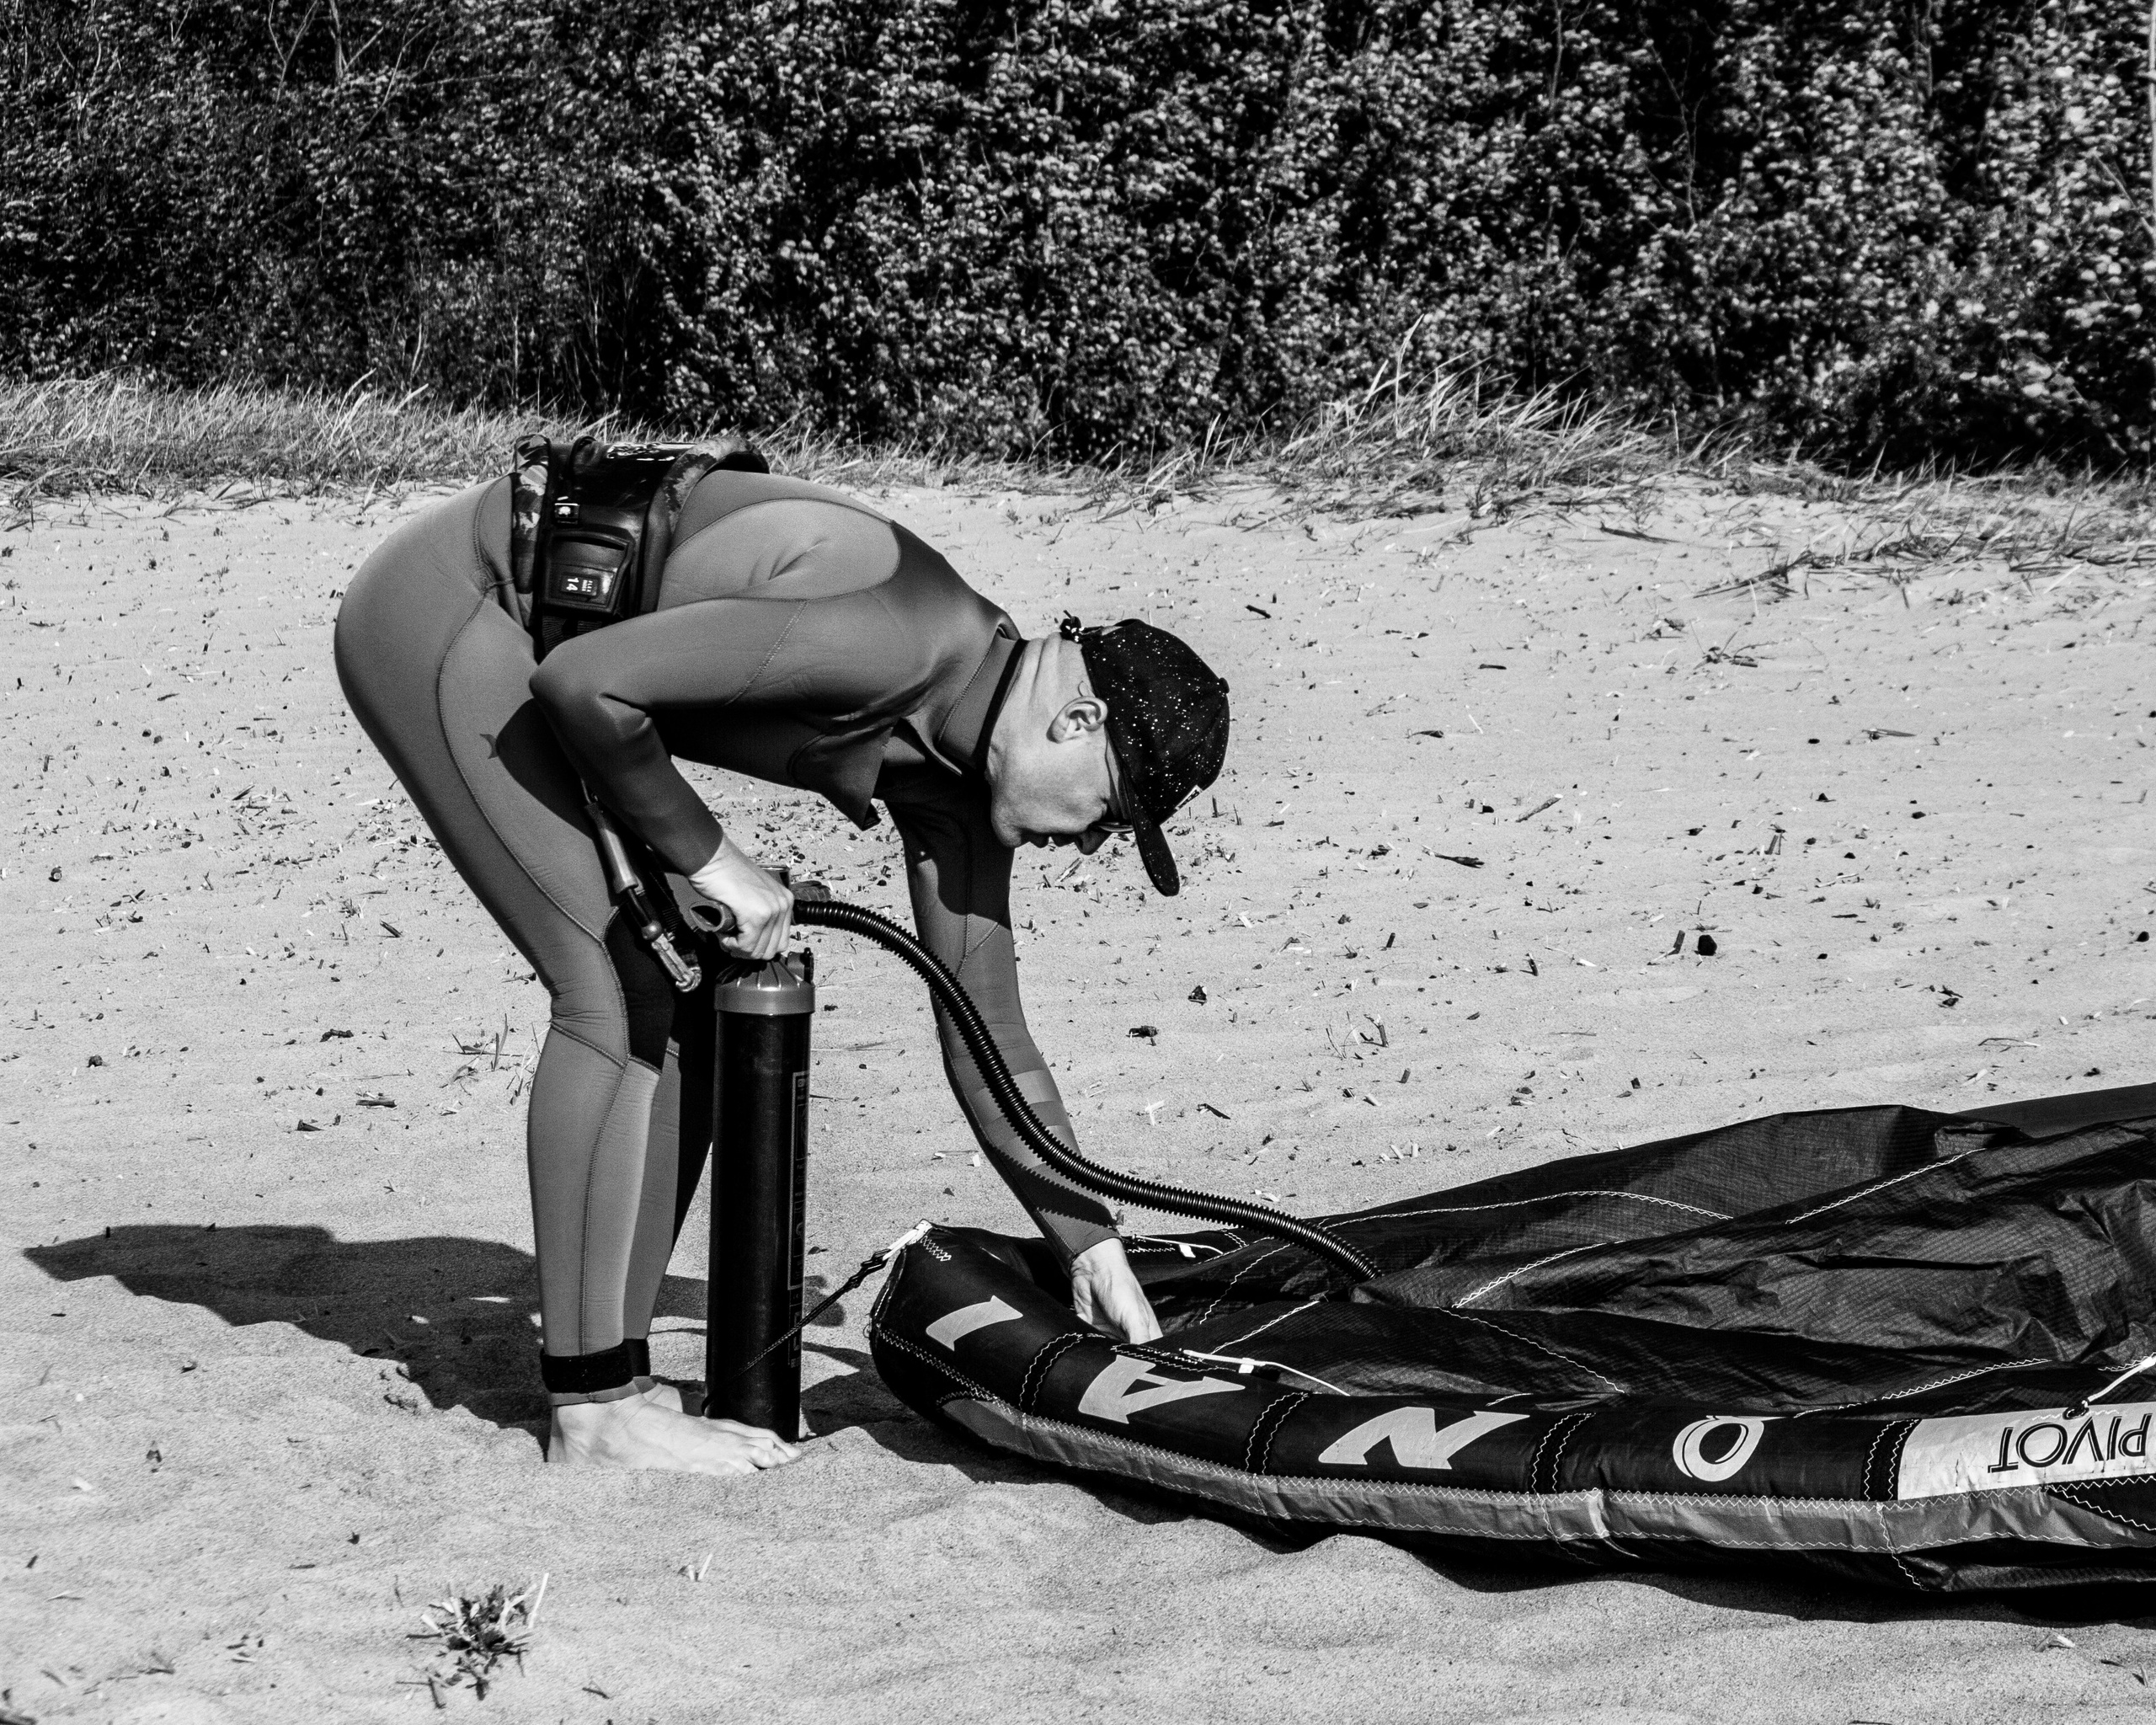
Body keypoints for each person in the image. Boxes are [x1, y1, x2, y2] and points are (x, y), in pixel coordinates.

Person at [334, 457, 1230, 1477]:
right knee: (616, 987)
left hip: (559, 649)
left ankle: (612, 1363)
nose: (1096, 843)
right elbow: (584, 687)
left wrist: (1091, 1251)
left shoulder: (963, 781)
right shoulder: (895, 635)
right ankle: (594, 1412)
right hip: (456, 610)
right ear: (1077, 722)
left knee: (684, 984)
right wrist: (715, 859)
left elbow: (992, 1041)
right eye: (1115, 811)